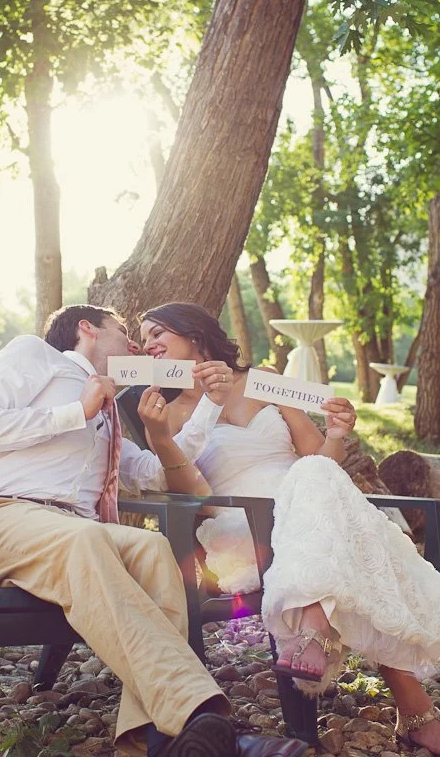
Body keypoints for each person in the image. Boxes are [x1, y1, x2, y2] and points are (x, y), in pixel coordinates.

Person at [0, 303, 307, 757]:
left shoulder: (110, 414)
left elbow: (159, 472)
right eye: (125, 331)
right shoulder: (37, 357)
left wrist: (195, 414)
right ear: (88, 329)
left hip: (73, 535)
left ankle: (159, 742)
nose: (137, 345)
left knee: (153, 550)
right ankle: (207, 722)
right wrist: (75, 411)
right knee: (86, 538)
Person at [138, 302, 440, 755]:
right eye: (143, 341)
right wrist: (162, 439)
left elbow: (319, 457)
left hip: (311, 506)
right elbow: (192, 495)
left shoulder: (264, 381)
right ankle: (415, 710)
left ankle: (316, 624)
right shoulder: (167, 412)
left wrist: (336, 433)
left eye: (157, 332)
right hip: (245, 530)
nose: (148, 345)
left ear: (194, 335)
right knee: (348, 531)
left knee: (315, 477)